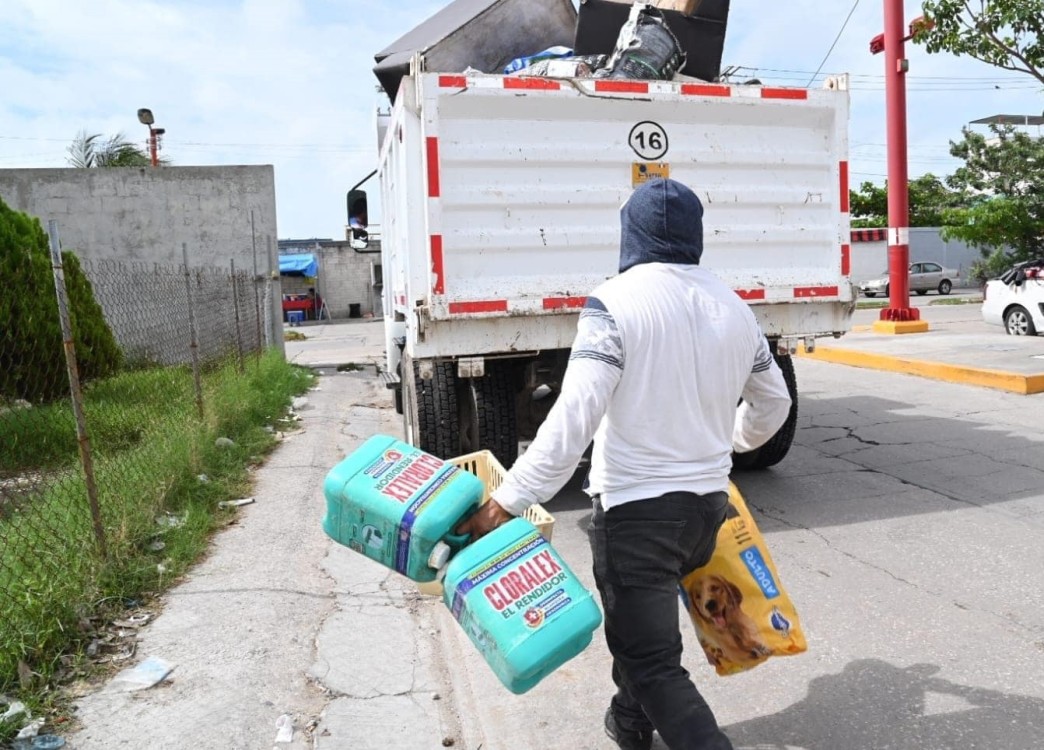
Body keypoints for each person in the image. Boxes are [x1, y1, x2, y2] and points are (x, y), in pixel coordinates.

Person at [456, 178, 792, 750]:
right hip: (706, 513)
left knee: (651, 660)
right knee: (645, 636)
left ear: (629, 232)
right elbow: (775, 402)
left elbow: (574, 417)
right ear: (696, 233)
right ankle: (630, 723)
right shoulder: (735, 308)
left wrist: (507, 501)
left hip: (638, 513)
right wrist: (731, 441)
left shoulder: (613, 302)